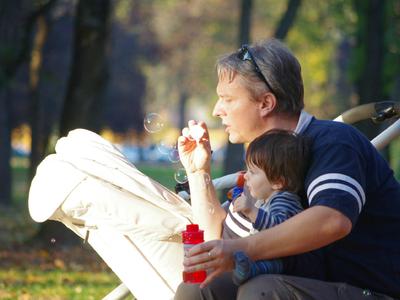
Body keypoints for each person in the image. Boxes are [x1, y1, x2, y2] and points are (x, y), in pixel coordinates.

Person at [175, 39, 400, 299]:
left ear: (266, 103)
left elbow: (332, 220)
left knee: (261, 291)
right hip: (306, 281)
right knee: (197, 289)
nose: (216, 110)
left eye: (227, 99)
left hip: (372, 290)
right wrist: (198, 171)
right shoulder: (265, 158)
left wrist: (242, 249)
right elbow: (218, 240)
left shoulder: (333, 142)